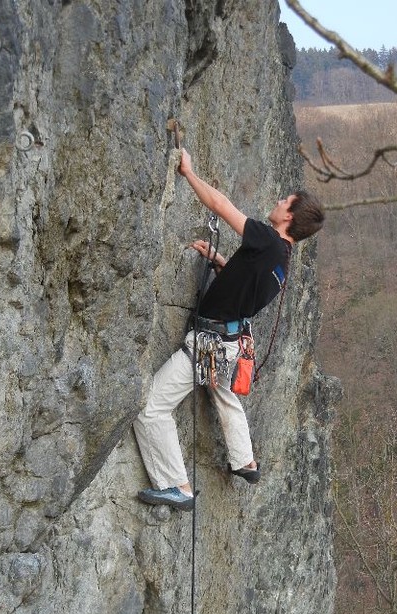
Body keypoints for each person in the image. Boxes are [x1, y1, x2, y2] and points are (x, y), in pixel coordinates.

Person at [133, 148, 324, 510]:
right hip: (230, 342)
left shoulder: (268, 239)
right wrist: (220, 261)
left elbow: (221, 205)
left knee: (152, 408)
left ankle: (177, 486)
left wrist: (189, 173)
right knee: (221, 391)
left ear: (289, 216)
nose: (279, 200)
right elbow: (245, 290)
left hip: (210, 341)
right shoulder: (281, 260)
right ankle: (245, 461)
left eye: (286, 200)